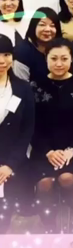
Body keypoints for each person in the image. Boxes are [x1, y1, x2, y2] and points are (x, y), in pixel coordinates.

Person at [30, 38, 73, 232]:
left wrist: (71, 150)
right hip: (44, 150)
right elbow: (32, 125)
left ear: (71, 59)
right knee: (45, 183)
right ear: (46, 59)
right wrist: (48, 151)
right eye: (53, 58)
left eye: (64, 58)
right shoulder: (35, 85)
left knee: (66, 178)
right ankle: (49, 226)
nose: (59, 63)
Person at [0, 34, 35, 234]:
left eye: (6, 54)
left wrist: (9, 165)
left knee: (7, 217)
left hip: (13, 162)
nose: (2, 61)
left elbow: (27, 129)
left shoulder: (22, 88)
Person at [13, 8, 62, 83]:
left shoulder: (61, 48)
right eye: (42, 25)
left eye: (52, 26)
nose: (47, 29)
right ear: (34, 26)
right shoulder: (22, 52)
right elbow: (21, 85)